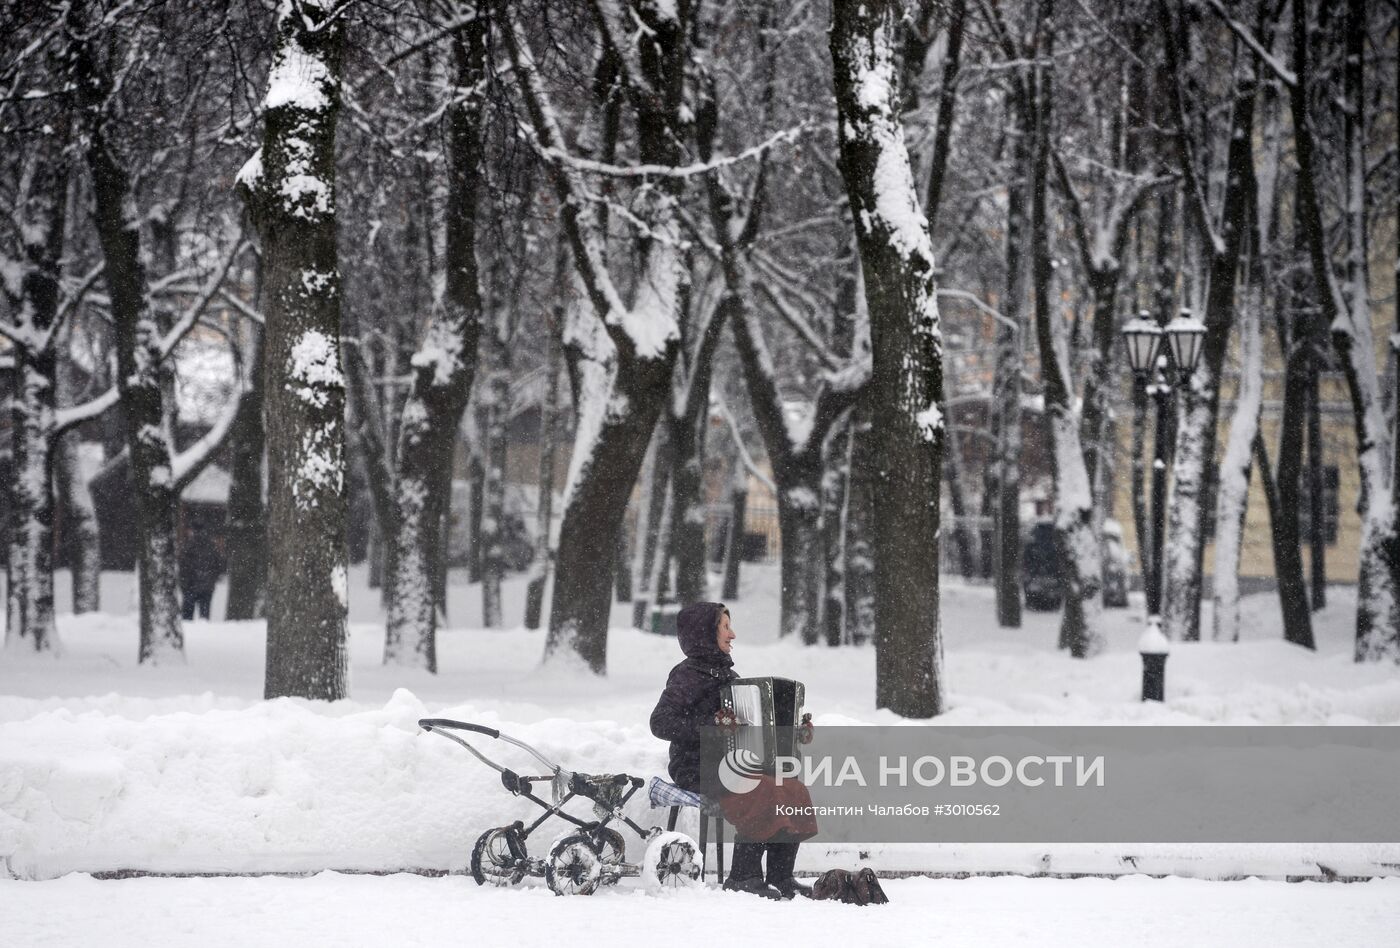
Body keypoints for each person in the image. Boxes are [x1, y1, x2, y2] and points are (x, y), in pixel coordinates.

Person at [649, 601, 815, 900]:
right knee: (762, 789)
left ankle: (781, 876)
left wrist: (792, 736)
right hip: (696, 766)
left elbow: (754, 729)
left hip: (732, 764)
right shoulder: (687, 675)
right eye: (725, 627)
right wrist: (709, 725)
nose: (732, 634)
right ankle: (743, 876)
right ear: (704, 633)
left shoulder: (730, 677)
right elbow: (660, 723)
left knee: (792, 788)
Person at [178, 523, 224, 621]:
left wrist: (184, 583)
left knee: (187, 617)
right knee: (204, 616)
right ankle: (204, 634)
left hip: (190, 585)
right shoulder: (211, 546)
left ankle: (189, 634)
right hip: (207, 586)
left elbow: (183, 566)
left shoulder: (188, 545)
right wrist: (212, 578)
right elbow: (219, 565)